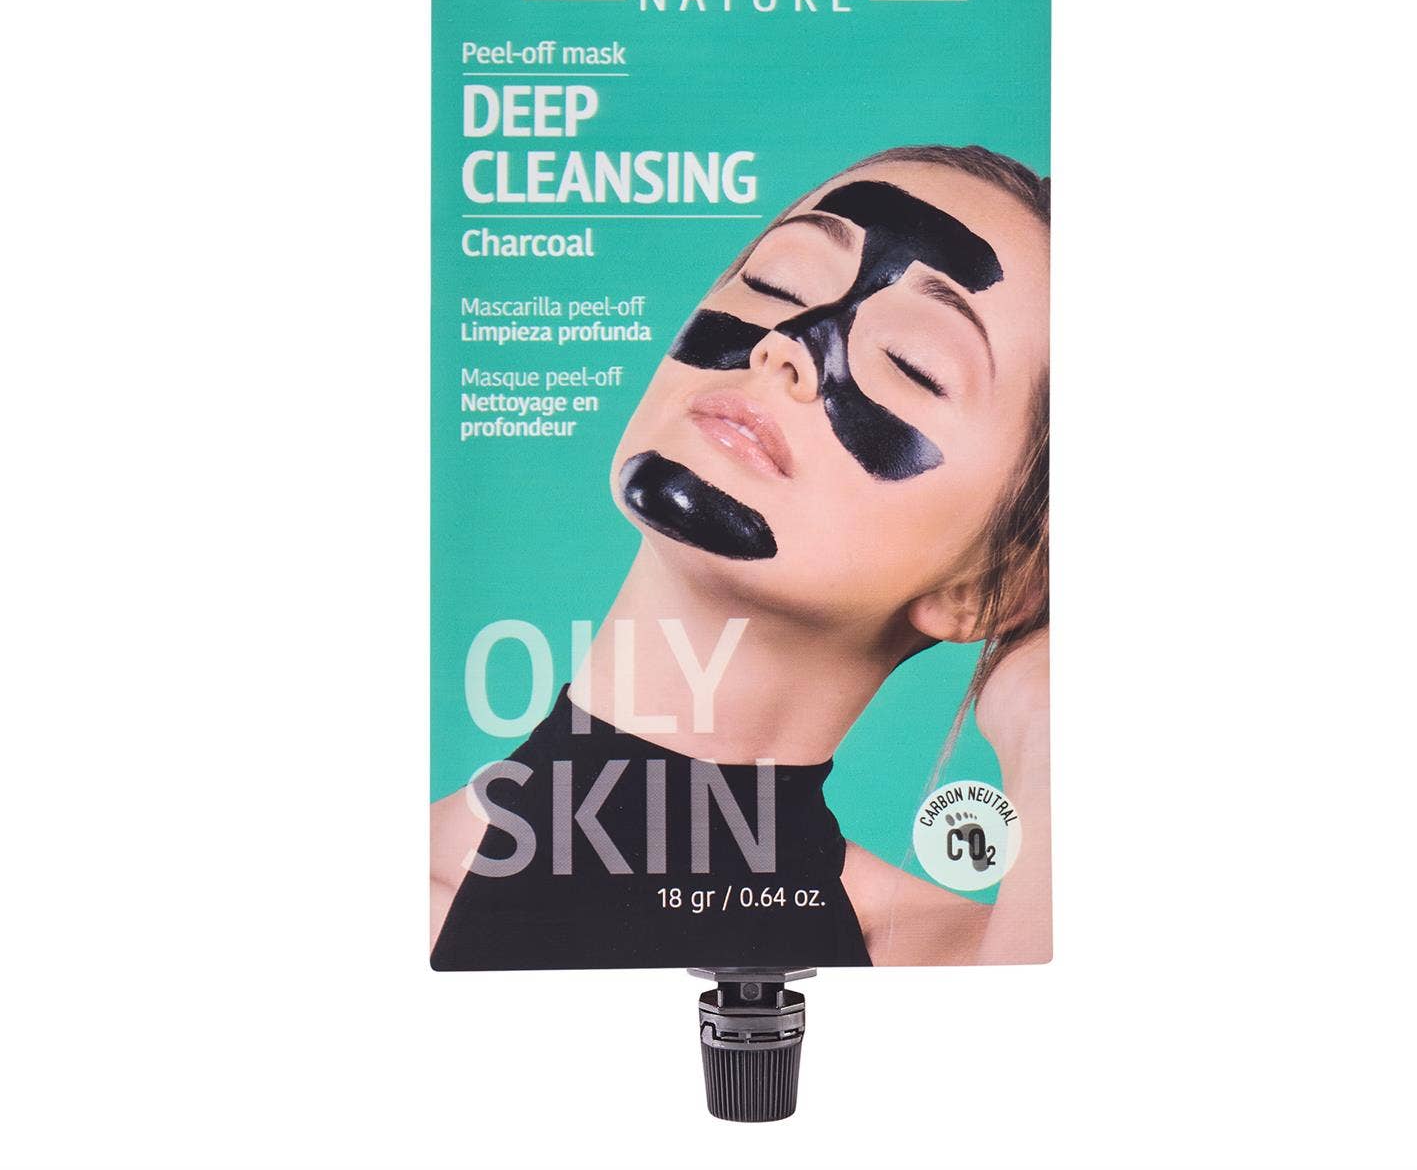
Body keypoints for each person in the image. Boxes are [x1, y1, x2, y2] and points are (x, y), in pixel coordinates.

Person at [431, 144, 1050, 968]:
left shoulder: (983, 967)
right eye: (776, 284)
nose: (784, 344)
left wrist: (1048, 720)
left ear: (992, 584)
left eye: (913, 365)